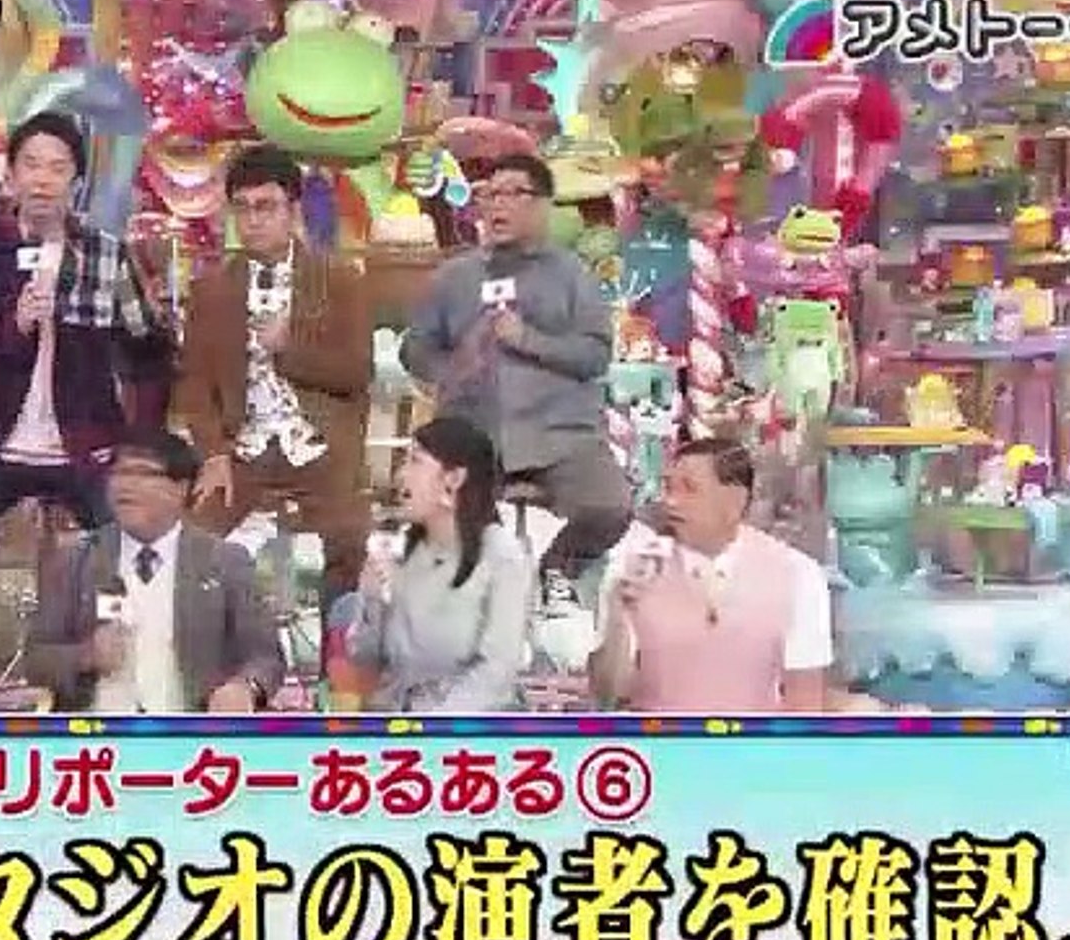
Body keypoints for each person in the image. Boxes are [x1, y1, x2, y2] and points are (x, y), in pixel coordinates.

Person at [0, 111, 177, 647]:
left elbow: (148, 355)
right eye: (31, 165)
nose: (43, 180)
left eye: (58, 168)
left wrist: (141, 441)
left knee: (127, 538)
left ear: (76, 181)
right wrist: (11, 327)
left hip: (86, 446)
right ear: (11, 175)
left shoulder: (104, 254)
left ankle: (117, 665)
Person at [400, 152, 631, 577]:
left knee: (608, 508)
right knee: (449, 527)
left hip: (559, 434)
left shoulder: (571, 275)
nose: (498, 205)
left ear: (543, 205)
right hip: (472, 435)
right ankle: (478, 589)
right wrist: (453, 367)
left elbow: (595, 355)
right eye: (490, 195)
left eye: (513, 194)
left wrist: (527, 339)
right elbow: (414, 350)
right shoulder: (454, 277)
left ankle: (555, 574)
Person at [180, 144, 373, 609]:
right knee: (189, 544)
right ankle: (220, 646)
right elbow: (194, 387)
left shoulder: (339, 279)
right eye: (242, 208)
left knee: (349, 540)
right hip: (242, 452)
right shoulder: (211, 289)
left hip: (319, 448)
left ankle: (337, 649)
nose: (253, 221)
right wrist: (213, 454)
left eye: (266, 207)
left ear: (293, 210)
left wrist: (290, 349)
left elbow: (355, 373)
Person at [28, 429, 284, 712]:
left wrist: (245, 687)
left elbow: (264, 656)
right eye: (119, 473)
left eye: (144, 473)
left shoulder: (226, 561)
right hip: (96, 730)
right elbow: (36, 660)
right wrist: (85, 656)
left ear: (181, 488)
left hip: (189, 727)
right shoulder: (75, 560)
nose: (126, 485)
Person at [591, 437, 832, 712]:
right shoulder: (633, 567)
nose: (670, 501)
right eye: (668, 487)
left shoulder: (798, 574)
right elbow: (608, 694)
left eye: (689, 489)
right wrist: (618, 616)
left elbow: (805, 703)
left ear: (734, 500)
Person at [346, 417, 532, 711]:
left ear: (453, 479)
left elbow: (495, 673)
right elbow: (365, 666)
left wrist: (435, 726)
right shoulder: (404, 551)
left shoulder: (501, 556)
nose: (401, 474)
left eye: (415, 461)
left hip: (463, 725)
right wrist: (371, 601)